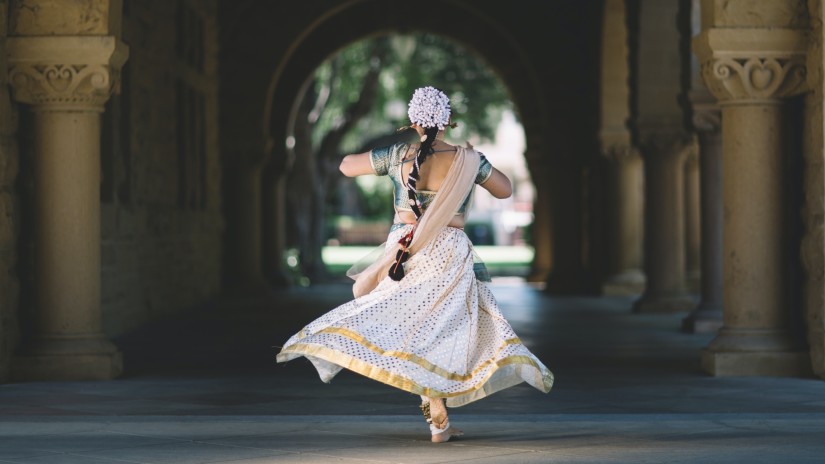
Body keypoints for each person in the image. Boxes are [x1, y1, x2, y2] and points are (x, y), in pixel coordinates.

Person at [277, 86, 553, 443]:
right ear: (449, 121)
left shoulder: (398, 155)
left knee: (408, 325)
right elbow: (505, 190)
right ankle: (439, 418)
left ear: (413, 122)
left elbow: (346, 166)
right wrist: (477, 164)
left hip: (404, 252)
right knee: (443, 329)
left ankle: (436, 417)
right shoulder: (468, 160)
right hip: (449, 253)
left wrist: (385, 155)